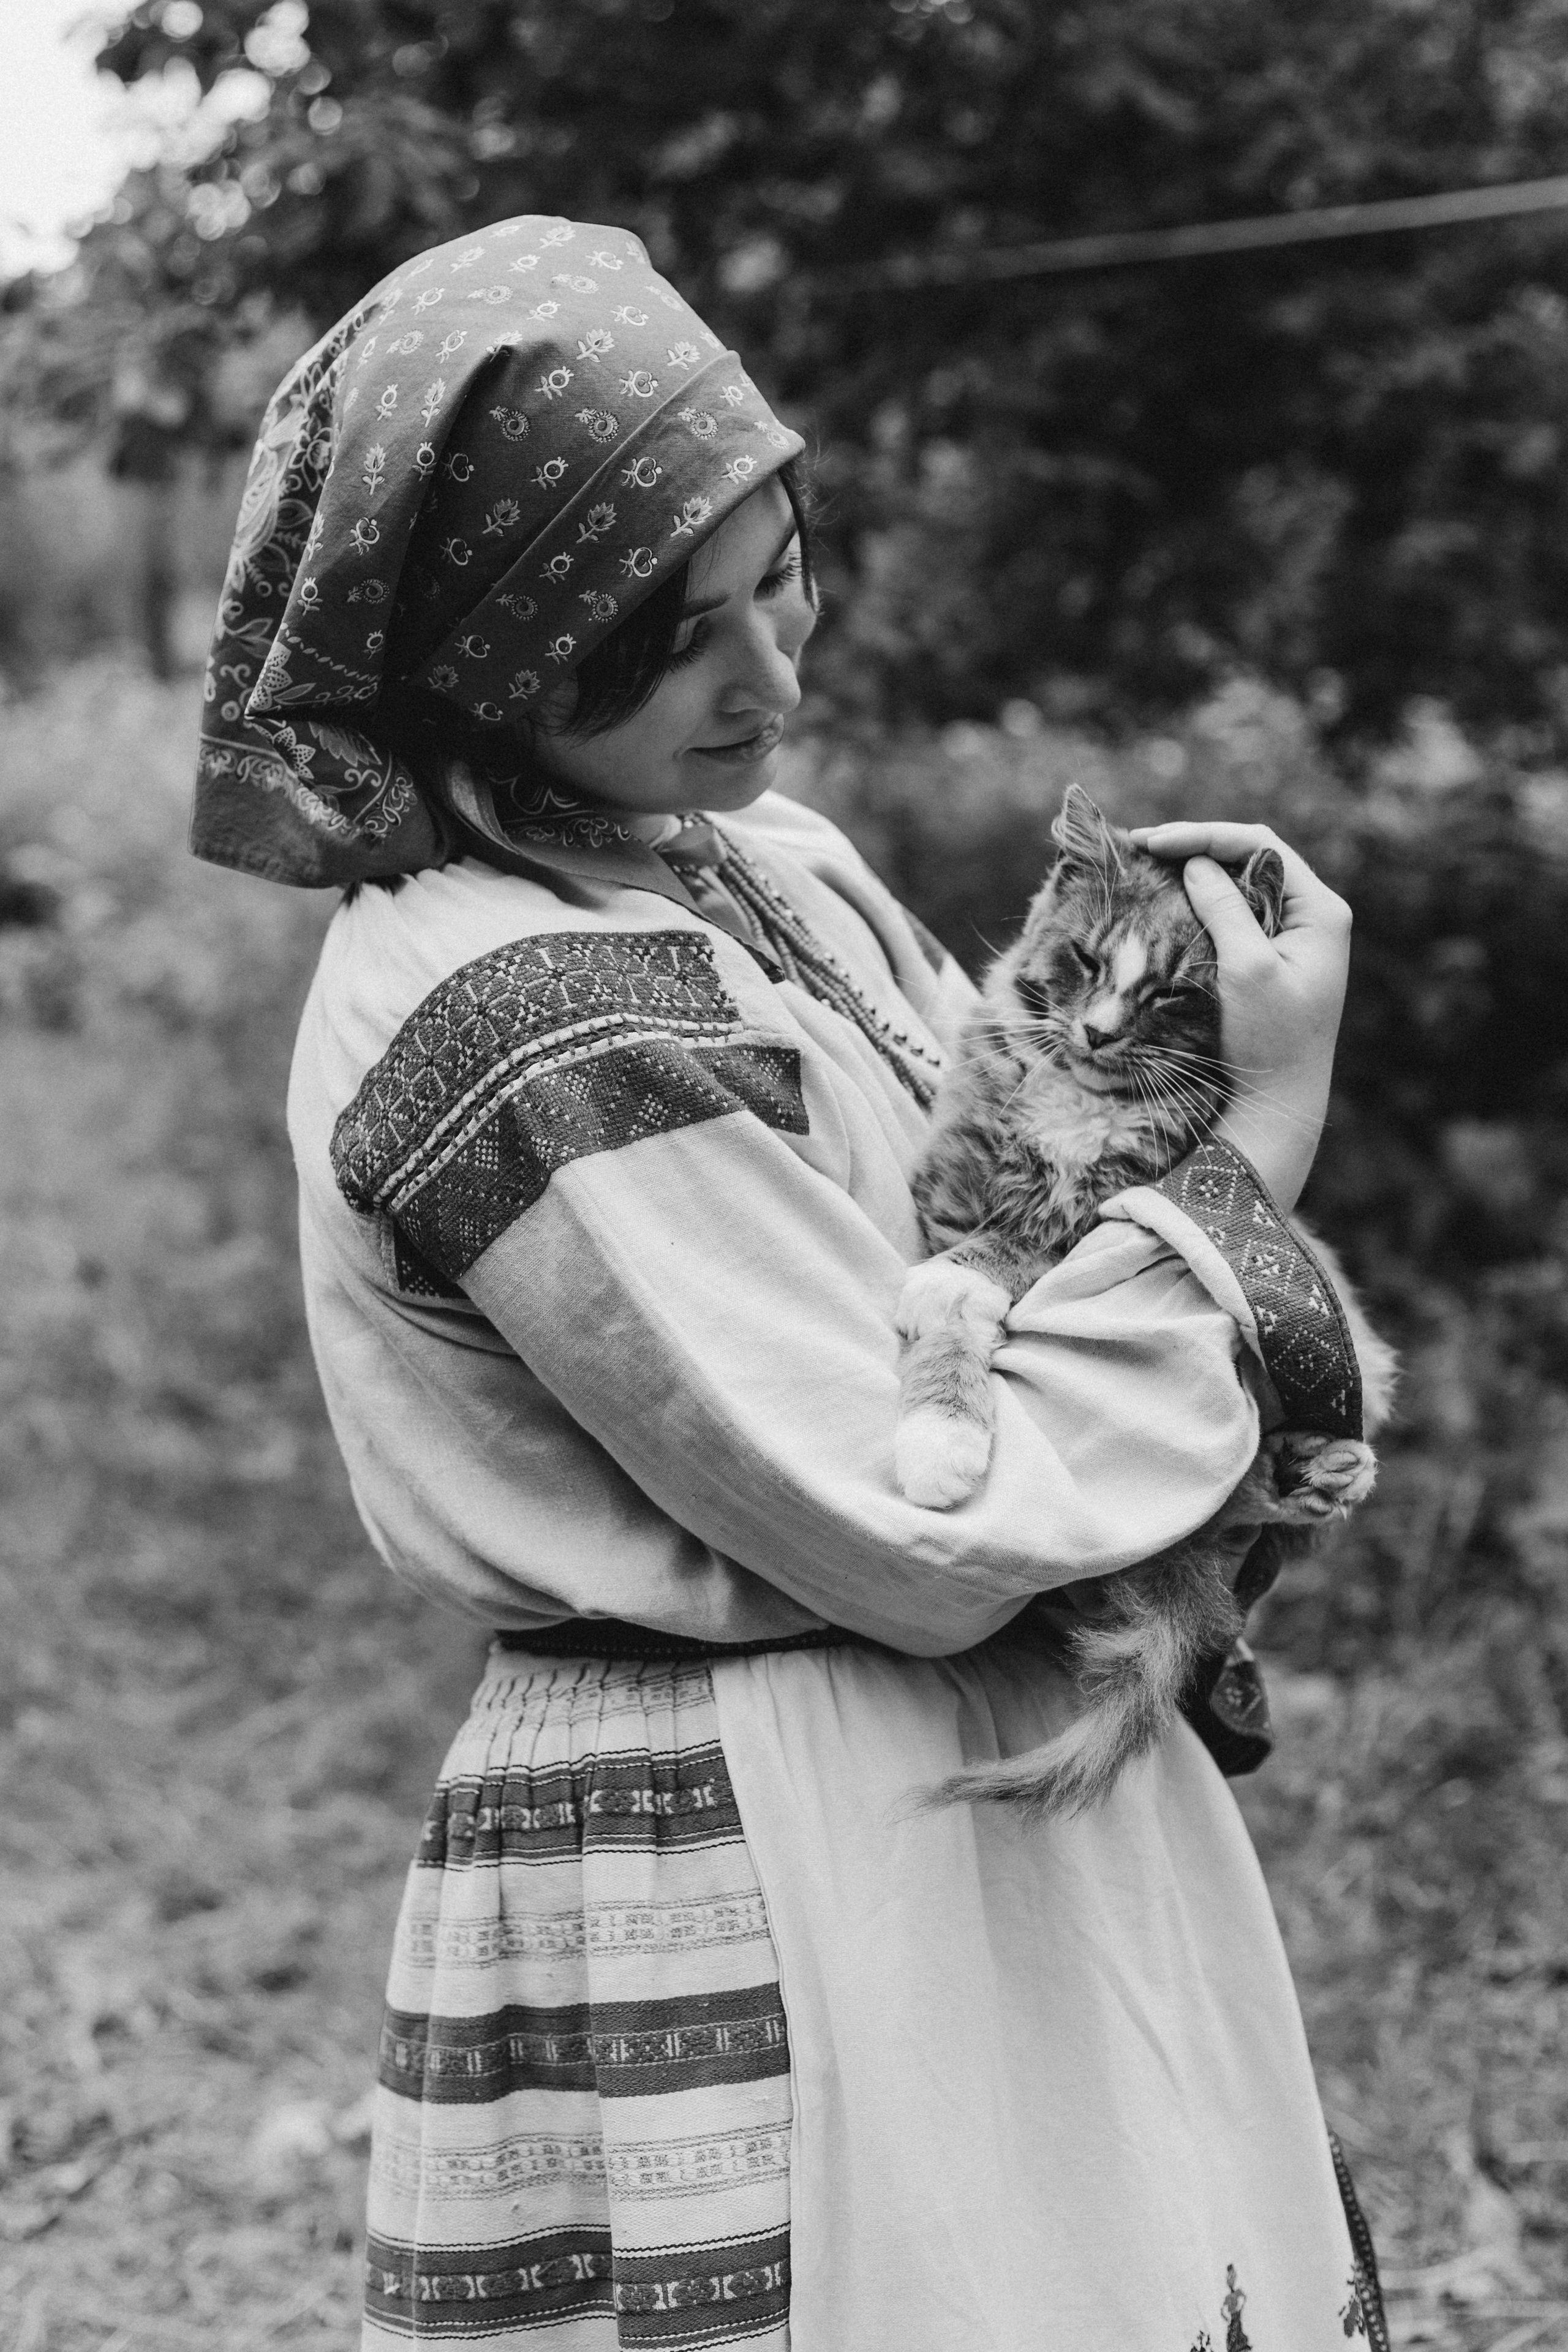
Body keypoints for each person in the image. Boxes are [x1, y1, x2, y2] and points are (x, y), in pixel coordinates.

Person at [194, 215, 1388, 2352]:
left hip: (966, 1808)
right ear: (488, 646)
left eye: (783, 575)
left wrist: (1168, 1086)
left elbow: (996, 1256)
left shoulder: (761, 862)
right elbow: (935, 1516)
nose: (772, 678)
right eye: (674, 636)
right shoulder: (512, 1016)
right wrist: (1258, 1147)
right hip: (770, 1844)